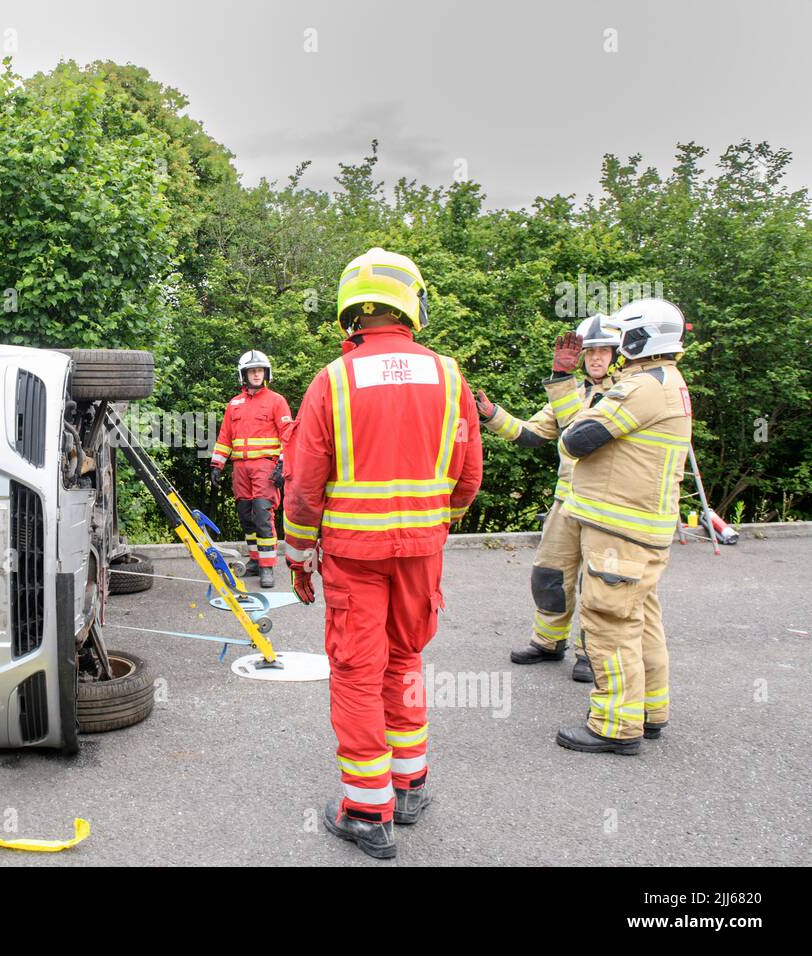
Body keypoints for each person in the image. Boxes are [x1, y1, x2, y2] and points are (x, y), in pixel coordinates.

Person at [283, 247, 481, 860]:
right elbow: (467, 474)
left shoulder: (333, 380)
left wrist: (297, 554)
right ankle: (410, 784)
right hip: (420, 555)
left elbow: (305, 480)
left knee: (356, 672)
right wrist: (433, 527)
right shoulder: (449, 375)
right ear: (412, 304)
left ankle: (368, 811)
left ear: (351, 313)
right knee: (405, 660)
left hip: (353, 555)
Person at [553, 298, 691, 754]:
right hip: (645, 528)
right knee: (642, 620)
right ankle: (650, 712)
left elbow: (576, 439)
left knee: (609, 623)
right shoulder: (669, 381)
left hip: (620, 531)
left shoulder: (641, 388)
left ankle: (614, 725)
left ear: (639, 337)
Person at [475, 314, 620, 681]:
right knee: (549, 574)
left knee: (597, 582)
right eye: (591, 352)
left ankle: (592, 653)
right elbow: (533, 434)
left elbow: (578, 436)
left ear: (618, 354)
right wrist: (492, 416)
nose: (596, 358)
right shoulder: (573, 391)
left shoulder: (624, 393)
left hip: (604, 504)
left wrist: (559, 382)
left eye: (604, 351)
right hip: (566, 501)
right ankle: (549, 641)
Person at [209, 350, 294, 589]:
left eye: (259, 370)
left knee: (263, 516)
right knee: (246, 517)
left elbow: (287, 436)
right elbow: (225, 437)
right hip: (240, 470)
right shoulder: (234, 404)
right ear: (244, 375)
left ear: (265, 373)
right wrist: (217, 465)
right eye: (251, 371)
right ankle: (256, 560)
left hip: (265, 468)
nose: (256, 374)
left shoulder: (277, 401)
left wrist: (282, 464)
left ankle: (267, 567)